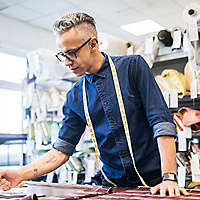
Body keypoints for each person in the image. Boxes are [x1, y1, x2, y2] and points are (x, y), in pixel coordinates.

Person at [0, 13, 188, 197]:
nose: (66, 62)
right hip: (112, 187)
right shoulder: (75, 95)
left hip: (157, 183)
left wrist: (169, 177)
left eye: (71, 53)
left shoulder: (133, 67)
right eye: (62, 55)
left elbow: (161, 123)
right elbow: (60, 151)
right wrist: (20, 174)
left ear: (93, 44)